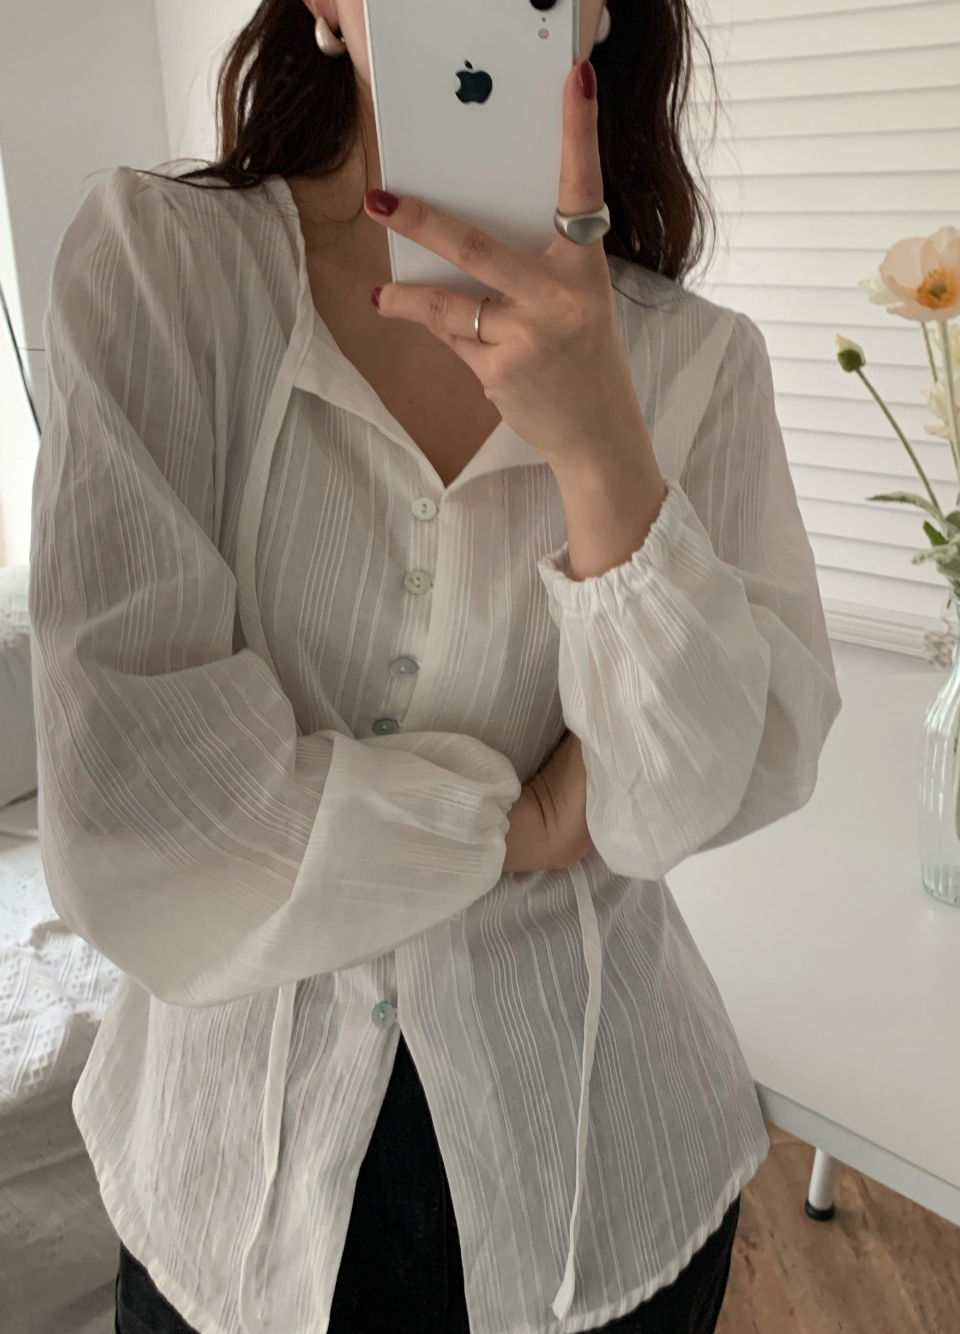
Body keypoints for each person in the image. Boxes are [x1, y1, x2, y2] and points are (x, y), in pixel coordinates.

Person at [27, 1, 843, 1332]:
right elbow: (137, 818)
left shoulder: (701, 361)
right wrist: (515, 824)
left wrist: (600, 442)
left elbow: (674, 803)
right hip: (225, 1199)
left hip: (601, 1184)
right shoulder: (159, 271)